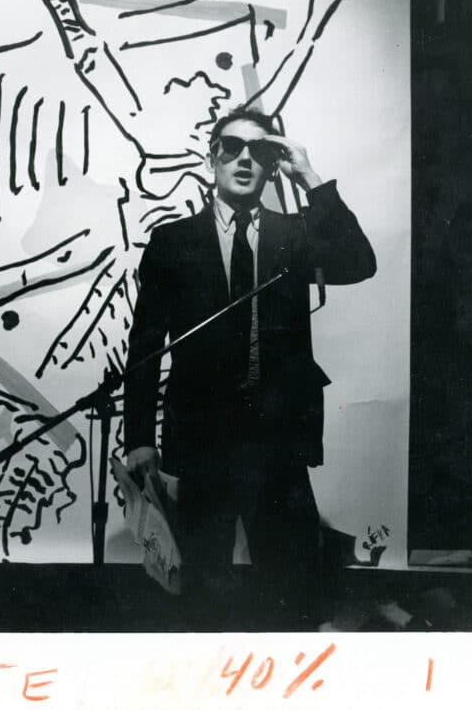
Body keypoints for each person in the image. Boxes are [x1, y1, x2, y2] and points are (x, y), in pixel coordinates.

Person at [122, 105, 376, 627]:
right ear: (211, 157)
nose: (244, 160)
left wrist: (309, 176)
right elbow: (145, 345)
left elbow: (359, 261)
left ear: (272, 164)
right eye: (231, 148)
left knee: (292, 590)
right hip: (200, 440)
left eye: (259, 152)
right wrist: (139, 436)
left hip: (277, 440)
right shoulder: (173, 242)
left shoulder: (295, 235)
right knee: (201, 594)